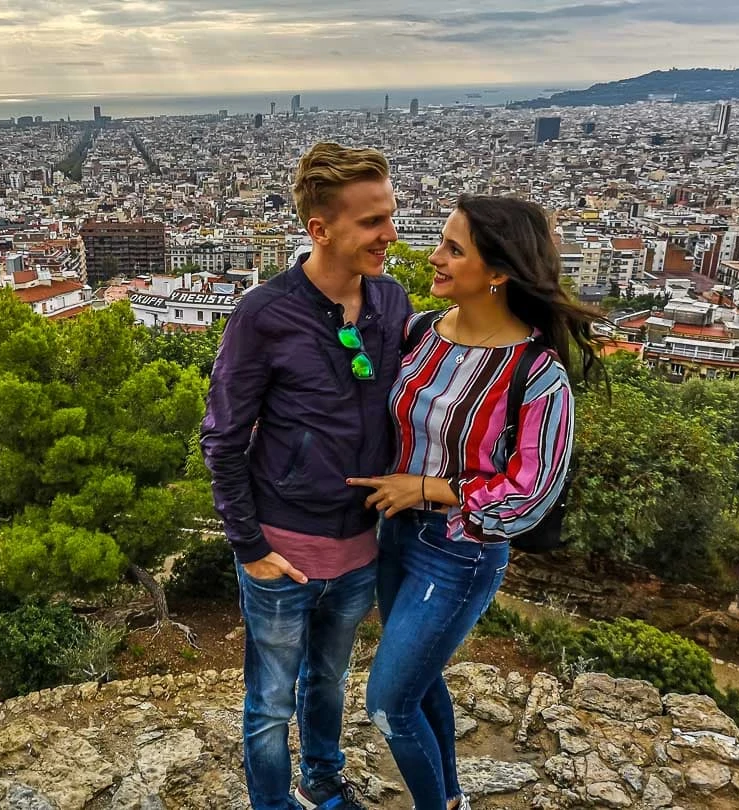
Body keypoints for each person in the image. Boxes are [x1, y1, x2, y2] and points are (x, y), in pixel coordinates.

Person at [347, 194, 604, 810]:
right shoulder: (419, 334)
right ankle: (452, 798)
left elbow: (532, 491)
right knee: (417, 680)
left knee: (387, 703)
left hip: (458, 553)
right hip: (396, 535)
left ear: (498, 273)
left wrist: (429, 487)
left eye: (453, 249)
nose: (434, 258)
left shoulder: (537, 375)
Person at [200, 142, 412, 810]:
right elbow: (223, 436)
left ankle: (323, 781)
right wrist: (250, 547)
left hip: (358, 548)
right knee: (269, 701)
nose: (390, 234)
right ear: (320, 229)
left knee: (329, 680)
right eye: (372, 221)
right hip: (283, 549)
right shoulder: (265, 314)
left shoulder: (392, 302)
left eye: (389, 215)